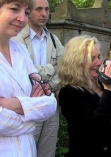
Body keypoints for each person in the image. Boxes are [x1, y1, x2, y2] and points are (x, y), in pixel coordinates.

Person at [0, 0, 57, 157]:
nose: (22, 18)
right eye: (14, 9)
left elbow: (50, 103)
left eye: (25, 12)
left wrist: (11, 104)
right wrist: (32, 114)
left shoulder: (20, 50)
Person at [13, 0, 64, 156]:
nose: (44, 14)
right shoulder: (17, 39)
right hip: (27, 106)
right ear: (28, 11)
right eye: (39, 9)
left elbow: (65, 68)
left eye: (47, 9)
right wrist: (52, 68)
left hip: (51, 105)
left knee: (47, 153)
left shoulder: (54, 40)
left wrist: (42, 78)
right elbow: (25, 73)